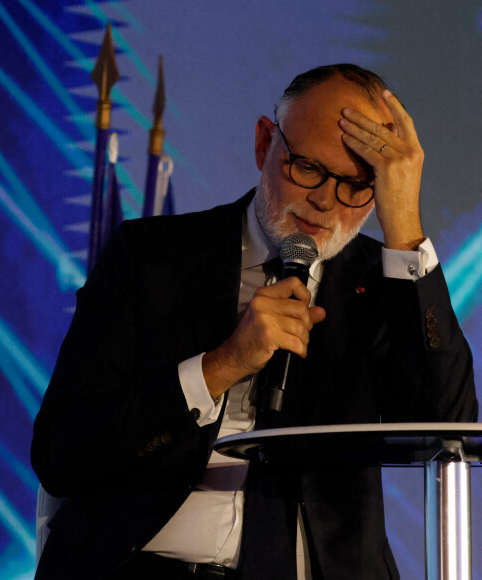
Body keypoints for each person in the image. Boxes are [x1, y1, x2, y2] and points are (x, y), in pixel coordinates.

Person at [31, 64, 477, 580]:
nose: (325, 202)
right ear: (266, 142)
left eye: (357, 185)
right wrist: (219, 367)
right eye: (308, 168)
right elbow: (61, 453)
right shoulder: (151, 258)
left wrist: (405, 228)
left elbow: (447, 429)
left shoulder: (384, 285)